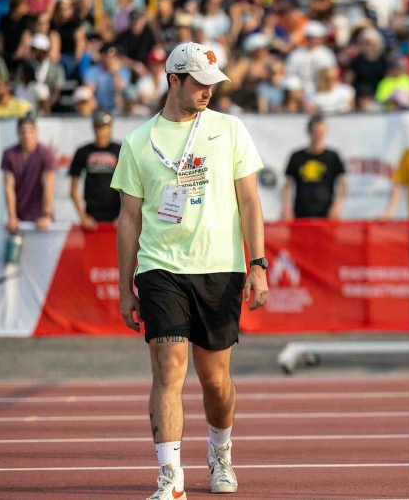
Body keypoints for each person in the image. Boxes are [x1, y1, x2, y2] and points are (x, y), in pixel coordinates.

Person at [109, 42, 268, 500]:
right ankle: (170, 478)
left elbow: (250, 200)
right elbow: (129, 219)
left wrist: (257, 263)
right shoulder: (138, 142)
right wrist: (125, 286)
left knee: (216, 380)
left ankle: (220, 451)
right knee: (169, 368)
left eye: (213, 84)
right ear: (173, 80)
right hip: (162, 268)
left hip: (220, 266)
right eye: (199, 83)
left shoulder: (229, 129)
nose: (209, 92)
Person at [282, 114, 348, 219]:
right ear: (309, 132)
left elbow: (343, 185)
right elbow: (287, 186)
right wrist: (286, 209)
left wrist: (337, 206)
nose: (318, 136)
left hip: (326, 215)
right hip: (300, 215)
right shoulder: (296, 156)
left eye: (321, 132)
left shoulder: (332, 156)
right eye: (316, 132)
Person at [2, 114, 56, 232]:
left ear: (36, 132)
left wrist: (46, 215)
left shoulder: (46, 153)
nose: (26, 135)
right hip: (19, 217)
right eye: (23, 131)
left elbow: (48, 186)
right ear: (18, 133)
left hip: (41, 218)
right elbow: (9, 187)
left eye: (30, 131)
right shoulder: (9, 154)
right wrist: (12, 217)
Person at [69, 109, 122, 229]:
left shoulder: (121, 150)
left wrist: (124, 216)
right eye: (97, 126)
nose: (100, 130)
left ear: (111, 127)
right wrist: (83, 217)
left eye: (104, 126)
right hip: (91, 217)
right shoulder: (82, 152)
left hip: (117, 217)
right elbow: (73, 189)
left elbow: (131, 187)